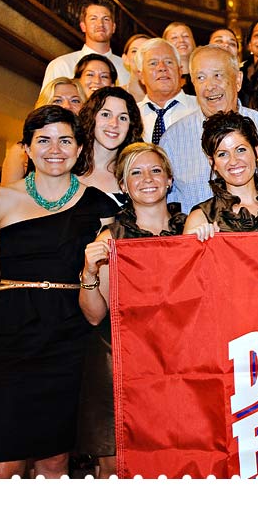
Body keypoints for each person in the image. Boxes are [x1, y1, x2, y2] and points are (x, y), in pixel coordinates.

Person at [0, 105, 118, 478]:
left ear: (80, 147)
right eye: (44, 140)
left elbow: (101, 282)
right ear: (27, 147)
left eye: (65, 140)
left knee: (54, 461)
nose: (55, 149)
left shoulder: (101, 208)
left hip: (70, 339)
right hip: (8, 339)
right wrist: (11, 319)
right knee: (3, 462)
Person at [77, 142, 187, 478]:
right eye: (135, 173)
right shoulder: (111, 236)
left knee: (178, 462)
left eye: (156, 170)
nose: (147, 179)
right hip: (119, 364)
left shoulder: (192, 228)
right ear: (123, 186)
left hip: (177, 365)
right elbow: (96, 315)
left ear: (169, 179)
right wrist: (89, 273)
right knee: (116, 470)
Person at [159, 45, 258, 227]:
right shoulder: (173, 140)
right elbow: (164, 213)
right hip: (202, 250)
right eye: (200, 77)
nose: (210, 86)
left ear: (238, 80)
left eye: (218, 75)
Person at [184, 111, 258, 239]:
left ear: (256, 152)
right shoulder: (201, 217)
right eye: (222, 154)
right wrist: (198, 243)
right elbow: (187, 259)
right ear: (212, 163)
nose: (233, 161)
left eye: (240, 150)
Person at [0, 77, 86, 185]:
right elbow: (7, 197)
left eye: (75, 101)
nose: (67, 106)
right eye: (57, 100)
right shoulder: (21, 152)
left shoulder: (93, 151)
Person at [76, 86, 145, 205]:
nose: (114, 124)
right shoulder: (67, 167)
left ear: (131, 126)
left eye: (123, 118)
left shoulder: (134, 175)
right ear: (91, 117)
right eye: (106, 114)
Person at [40, 0, 128, 90]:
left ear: (113, 27)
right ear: (83, 26)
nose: (100, 24)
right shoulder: (62, 65)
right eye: (93, 19)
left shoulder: (126, 68)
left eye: (106, 19)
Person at [135, 38, 199, 144]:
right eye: (153, 63)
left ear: (180, 70)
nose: (162, 68)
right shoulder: (131, 115)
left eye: (169, 62)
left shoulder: (201, 108)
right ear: (141, 75)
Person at [163, 22, 197, 94]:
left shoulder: (204, 73)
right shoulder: (163, 77)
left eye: (186, 36)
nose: (181, 40)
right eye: (174, 37)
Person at [121, 33, 150, 103]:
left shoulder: (164, 94)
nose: (139, 55)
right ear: (125, 59)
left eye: (145, 51)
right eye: (134, 51)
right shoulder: (115, 94)